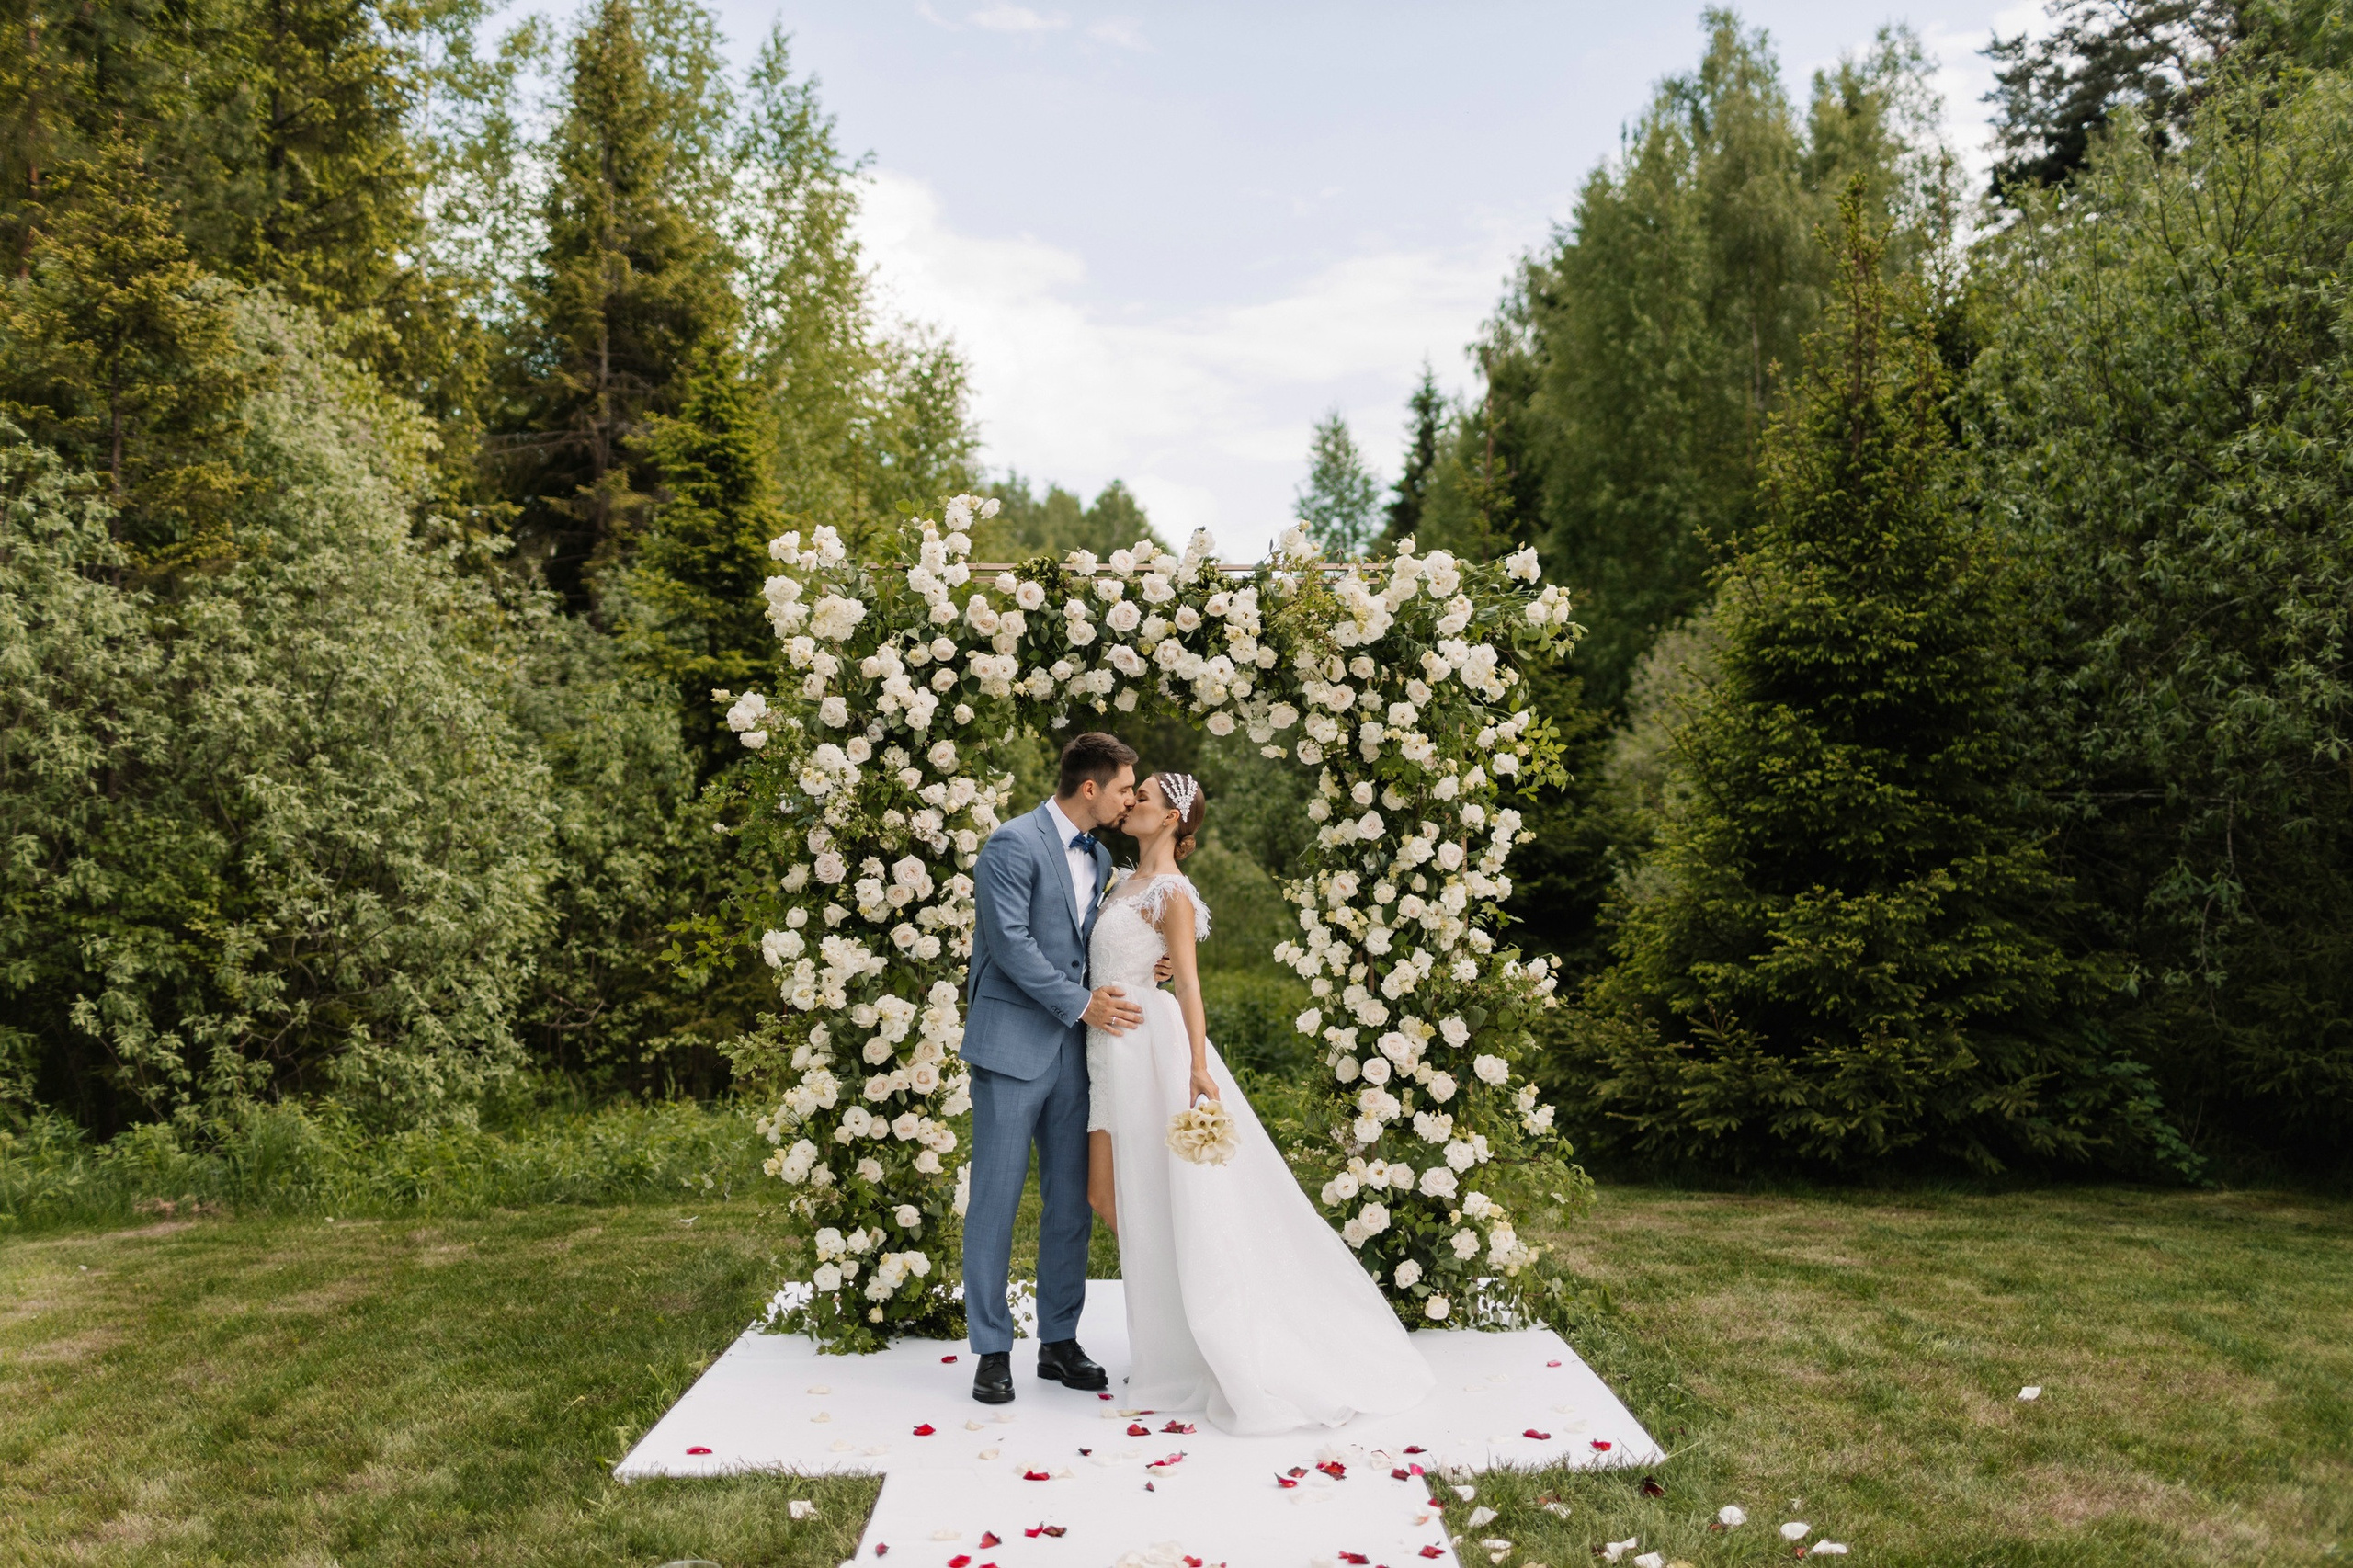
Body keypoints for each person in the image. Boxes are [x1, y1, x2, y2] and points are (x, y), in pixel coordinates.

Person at [1086, 771, 1436, 1435]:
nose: (1131, 802)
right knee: (1108, 1196)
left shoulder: (1172, 895)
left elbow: (1188, 986)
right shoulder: (1119, 882)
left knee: (1153, 1198)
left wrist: (1196, 1068)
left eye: (1146, 798)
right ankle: (1175, 1332)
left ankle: (1202, 1342)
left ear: (1170, 820)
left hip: (1150, 1056)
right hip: (1109, 1050)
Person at [959, 733, 1142, 1404]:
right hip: (1013, 1045)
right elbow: (1009, 942)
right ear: (1089, 788)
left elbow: (1092, 942)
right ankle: (992, 1350)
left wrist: (1142, 967)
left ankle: (1059, 1343)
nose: (1130, 799)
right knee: (996, 1203)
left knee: (1071, 1204)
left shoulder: (1101, 853)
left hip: (1076, 1053)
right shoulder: (1011, 843)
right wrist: (1082, 1003)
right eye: (1124, 787)